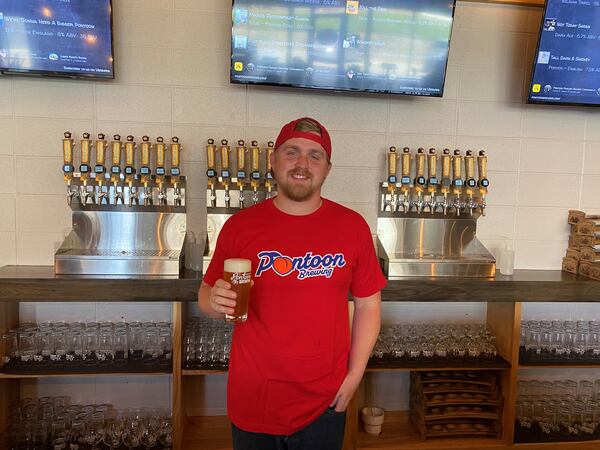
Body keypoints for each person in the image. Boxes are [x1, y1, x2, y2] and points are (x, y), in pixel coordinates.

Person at [198, 117, 386, 450]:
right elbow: (206, 292)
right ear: (273, 160)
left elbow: (368, 303)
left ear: (327, 169)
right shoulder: (239, 227)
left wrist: (355, 375)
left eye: (315, 155)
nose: (302, 163)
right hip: (253, 397)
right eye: (292, 152)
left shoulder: (352, 227)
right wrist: (212, 302)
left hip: (325, 400)